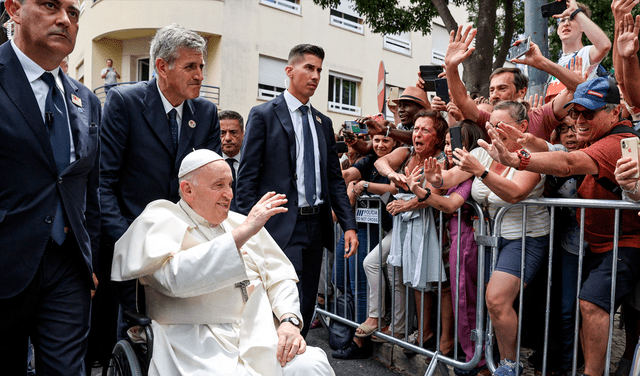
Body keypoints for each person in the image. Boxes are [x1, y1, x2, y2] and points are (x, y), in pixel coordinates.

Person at [111, 149, 334, 376]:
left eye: (230, 185)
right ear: (188, 189)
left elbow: (279, 275)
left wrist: (288, 319)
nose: (229, 194)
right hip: (194, 342)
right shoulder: (159, 220)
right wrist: (242, 234)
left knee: (311, 365)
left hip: (258, 332)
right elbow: (174, 279)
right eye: (219, 185)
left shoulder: (240, 222)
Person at [483, 78, 640, 376]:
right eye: (576, 112)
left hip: (624, 242)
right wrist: (528, 142)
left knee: (591, 305)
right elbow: (553, 148)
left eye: (589, 113)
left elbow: (567, 163)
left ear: (615, 112)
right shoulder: (592, 135)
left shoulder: (613, 142)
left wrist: (517, 159)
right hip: (598, 243)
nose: (579, 120)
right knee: (583, 308)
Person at [0, 0, 101, 374]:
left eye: (73, 13)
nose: (64, 19)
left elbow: (89, 187)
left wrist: (89, 260)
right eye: (49, 5)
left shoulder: (87, 101)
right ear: (14, 8)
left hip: (68, 270)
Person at [100, 24, 221, 335]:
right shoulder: (124, 103)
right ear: (161, 67)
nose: (200, 75)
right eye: (190, 66)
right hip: (135, 245)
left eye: (202, 66)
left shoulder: (206, 113)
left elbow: (213, 183)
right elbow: (103, 184)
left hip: (187, 251)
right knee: (137, 337)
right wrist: (128, 241)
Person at [236, 44, 358, 338]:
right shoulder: (263, 115)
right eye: (309, 68)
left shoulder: (323, 123)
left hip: (316, 225)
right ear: (289, 71)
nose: (316, 76)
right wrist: (244, 229)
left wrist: (349, 225)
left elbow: (334, 180)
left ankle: (293, 358)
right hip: (279, 224)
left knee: (304, 305)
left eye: (319, 70)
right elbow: (247, 176)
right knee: (278, 300)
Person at [424, 101, 550, 376]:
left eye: (502, 125)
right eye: (491, 125)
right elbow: (450, 177)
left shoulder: (534, 155)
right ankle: (492, 358)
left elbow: (515, 193)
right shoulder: (484, 151)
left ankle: (508, 365)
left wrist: (482, 172)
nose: (494, 131)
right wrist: (435, 178)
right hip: (492, 240)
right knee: (488, 301)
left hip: (525, 238)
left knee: (496, 299)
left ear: (523, 127)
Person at [407, 121, 488, 375]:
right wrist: (424, 187)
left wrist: (421, 193)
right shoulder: (451, 169)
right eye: (449, 143)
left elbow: (450, 205)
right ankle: (470, 356)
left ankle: (476, 360)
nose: (450, 148)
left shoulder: (467, 174)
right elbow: (439, 189)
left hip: (466, 238)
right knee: (459, 298)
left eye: (457, 143)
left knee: (465, 299)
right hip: (455, 237)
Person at [374, 110, 453, 357]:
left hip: (436, 227)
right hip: (408, 226)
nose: (417, 134)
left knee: (434, 282)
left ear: (438, 138)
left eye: (425, 130)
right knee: (414, 279)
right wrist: (392, 174)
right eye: (415, 129)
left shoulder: (441, 159)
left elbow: (433, 196)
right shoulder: (408, 152)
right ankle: (422, 332)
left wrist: (406, 204)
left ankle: (439, 338)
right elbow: (380, 161)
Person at [444, 25, 584, 142]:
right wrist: (451, 67)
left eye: (502, 88)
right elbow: (462, 99)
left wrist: (542, 63)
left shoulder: (541, 117)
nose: (495, 96)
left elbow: (577, 90)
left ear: (522, 91)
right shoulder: (487, 120)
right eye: (491, 90)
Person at [331, 133, 398, 359]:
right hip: (352, 225)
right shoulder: (368, 160)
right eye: (376, 140)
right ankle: (348, 328)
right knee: (340, 279)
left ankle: (360, 341)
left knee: (360, 285)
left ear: (396, 143)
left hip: (374, 230)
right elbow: (348, 175)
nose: (380, 145)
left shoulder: (398, 163)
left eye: (385, 141)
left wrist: (364, 186)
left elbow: (393, 189)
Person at [544, 0, 611, 103]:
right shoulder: (556, 64)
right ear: (558, 30)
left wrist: (576, 12)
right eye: (562, 21)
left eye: (572, 19)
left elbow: (604, 46)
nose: (566, 23)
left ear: (582, 26)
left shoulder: (586, 54)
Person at [219, 109, 244, 210]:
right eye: (222, 133)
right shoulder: (208, 164)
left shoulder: (253, 163)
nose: (228, 138)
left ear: (243, 134)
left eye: (233, 132)